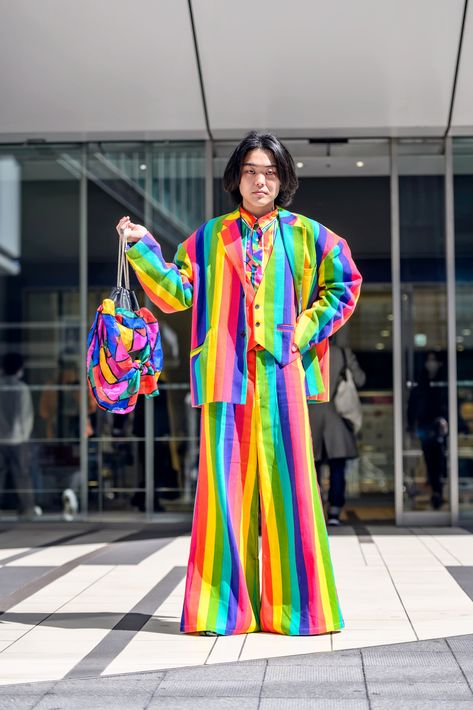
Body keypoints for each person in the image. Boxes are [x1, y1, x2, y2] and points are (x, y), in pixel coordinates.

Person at [117, 131, 362, 636]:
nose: (260, 180)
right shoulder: (210, 237)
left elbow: (346, 284)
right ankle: (220, 611)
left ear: (283, 179)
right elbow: (175, 291)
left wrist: (305, 328)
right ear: (236, 178)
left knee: (291, 491)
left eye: (270, 172)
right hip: (225, 375)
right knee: (221, 494)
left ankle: (299, 611)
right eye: (251, 170)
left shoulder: (309, 235)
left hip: (281, 373)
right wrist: (142, 248)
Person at [309, 342, 366, 526]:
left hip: (311, 416)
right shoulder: (342, 352)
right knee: (337, 468)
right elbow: (360, 379)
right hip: (336, 417)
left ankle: (314, 511)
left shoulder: (306, 349)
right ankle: (334, 511)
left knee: (312, 469)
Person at [0, 352, 40, 518]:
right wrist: (24, 435)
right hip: (19, 440)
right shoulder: (22, 389)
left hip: (1, 439)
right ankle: (27, 508)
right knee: (22, 475)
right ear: (19, 368)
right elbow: (26, 416)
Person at [407, 351, 448, 510]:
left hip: (440, 428)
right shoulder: (421, 381)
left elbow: (449, 404)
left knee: (439, 459)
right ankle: (435, 490)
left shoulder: (443, 382)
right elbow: (412, 405)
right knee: (430, 460)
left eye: (433, 360)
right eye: (428, 360)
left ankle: (437, 490)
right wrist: (411, 425)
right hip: (424, 426)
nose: (430, 364)